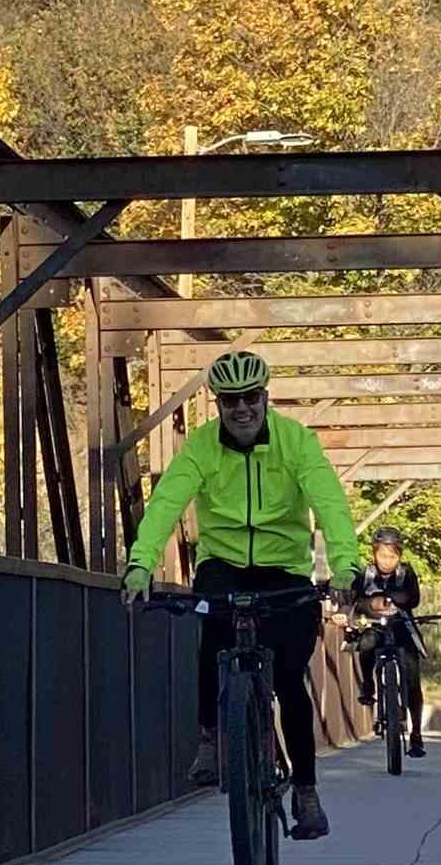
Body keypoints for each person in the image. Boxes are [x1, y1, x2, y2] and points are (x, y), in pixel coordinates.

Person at [119, 350, 364, 839]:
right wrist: (141, 563)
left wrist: (345, 566)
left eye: (250, 398)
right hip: (224, 564)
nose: (242, 409)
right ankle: (210, 737)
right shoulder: (203, 448)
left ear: (265, 397)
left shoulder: (296, 442)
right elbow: (167, 501)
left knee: (291, 681)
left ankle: (308, 794)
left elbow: (330, 503)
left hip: (284, 568)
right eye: (230, 400)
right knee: (211, 634)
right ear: (218, 404)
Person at [354, 526, 427, 758]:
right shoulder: (365, 574)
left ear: (400, 556)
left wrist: (395, 597)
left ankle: (416, 734)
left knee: (413, 677)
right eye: (383, 556)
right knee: (365, 644)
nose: (387, 561)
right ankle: (368, 684)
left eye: (392, 556)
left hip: (401, 625)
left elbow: (413, 599)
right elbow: (356, 600)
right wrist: (370, 604)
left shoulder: (406, 573)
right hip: (374, 625)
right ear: (374, 554)